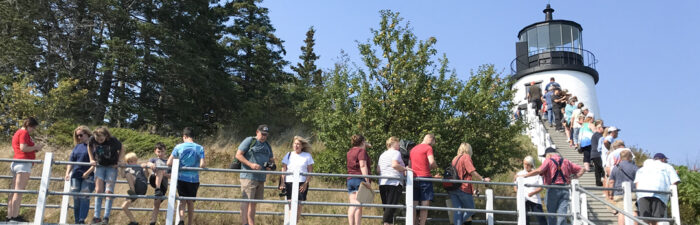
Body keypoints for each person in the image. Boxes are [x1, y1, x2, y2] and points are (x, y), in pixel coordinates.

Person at [520, 147, 584, 225]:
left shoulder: (549, 160)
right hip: (565, 189)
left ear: (549, 155)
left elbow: (539, 170)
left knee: (551, 214)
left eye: (545, 156)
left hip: (553, 189)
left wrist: (525, 176)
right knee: (562, 215)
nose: (544, 158)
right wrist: (574, 178)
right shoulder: (566, 161)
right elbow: (581, 169)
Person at [237, 125, 274, 225]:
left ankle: (251, 223)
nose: (264, 136)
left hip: (261, 178)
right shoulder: (249, 140)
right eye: (262, 134)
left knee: (253, 203)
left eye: (266, 135)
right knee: (246, 201)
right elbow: (238, 155)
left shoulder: (267, 145)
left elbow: (271, 161)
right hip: (248, 177)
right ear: (257, 132)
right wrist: (251, 164)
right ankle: (245, 223)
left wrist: (269, 166)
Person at [167, 127, 206, 225]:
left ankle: (181, 220)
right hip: (194, 179)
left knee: (182, 200)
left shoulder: (178, 147)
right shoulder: (200, 148)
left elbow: (169, 162)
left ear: (184, 136)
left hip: (181, 178)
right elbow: (202, 165)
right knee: (191, 202)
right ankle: (190, 223)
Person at [8, 117, 43, 222]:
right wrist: (37, 147)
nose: (33, 130)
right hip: (23, 163)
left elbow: (22, 148)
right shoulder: (24, 133)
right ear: (29, 125)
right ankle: (14, 217)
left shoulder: (18, 132)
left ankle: (10, 216)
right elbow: (23, 148)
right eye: (33, 127)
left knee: (13, 191)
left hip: (17, 162)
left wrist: (33, 149)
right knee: (18, 192)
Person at [87, 127, 125, 224]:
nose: (99, 141)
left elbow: (122, 148)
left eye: (101, 139)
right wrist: (91, 159)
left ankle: (106, 217)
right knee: (98, 190)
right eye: (97, 140)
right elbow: (89, 146)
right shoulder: (92, 139)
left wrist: (119, 160)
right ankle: (96, 216)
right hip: (99, 166)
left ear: (106, 136)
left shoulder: (113, 141)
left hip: (111, 167)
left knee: (109, 191)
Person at [449, 143, 490, 225]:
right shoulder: (466, 157)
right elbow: (471, 171)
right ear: (469, 149)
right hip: (463, 188)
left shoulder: (455, 158)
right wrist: (483, 179)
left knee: (458, 210)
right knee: (471, 210)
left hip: (452, 187)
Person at [634, 158, 680, 225]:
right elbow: (675, 181)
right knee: (658, 219)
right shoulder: (667, 166)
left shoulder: (641, 170)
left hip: (642, 193)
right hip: (659, 193)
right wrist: (671, 194)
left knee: (645, 219)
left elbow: (637, 184)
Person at [280, 136, 314, 224]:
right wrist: (282, 182)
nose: (296, 146)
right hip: (289, 182)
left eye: (298, 144)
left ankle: (295, 222)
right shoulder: (288, 155)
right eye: (295, 144)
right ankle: (292, 223)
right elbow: (283, 169)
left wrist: (306, 183)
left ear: (302, 146)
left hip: (301, 182)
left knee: (299, 205)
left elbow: (310, 170)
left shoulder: (307, 156)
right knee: (291, 204)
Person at [64, 126, 94, 224]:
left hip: (89, 175)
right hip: (76, 175)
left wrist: (87, 172)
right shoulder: (77, 147)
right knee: (76, 199)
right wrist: (67, 173)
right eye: (78, 136)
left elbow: (96, 162)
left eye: (81, 135)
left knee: (84, 196)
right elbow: (71, 161)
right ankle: (77, 220)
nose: (79, 137)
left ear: (87, 134)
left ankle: (81, 220)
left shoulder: (93, 146)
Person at [376, 137, 409, 225]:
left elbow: (378, 170)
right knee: (391, 207)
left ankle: (388, 223)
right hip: (394, 182)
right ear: (392, 144)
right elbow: (394, 165)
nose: (399, 145)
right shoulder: (396, 153)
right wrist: (404, 169)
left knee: (387, 207)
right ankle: (386, 223)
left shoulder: (382, 155)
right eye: (397, 143)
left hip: (383, 182)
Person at [409, 134, 438, 225]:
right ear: (431, 139)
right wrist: (435, 167)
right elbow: (432, 162)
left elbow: (410, 166)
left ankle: (412, 223)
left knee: (413, 205)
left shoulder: (413, 149)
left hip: (413, 178)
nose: (433, 145)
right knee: (425, 205)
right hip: (425, 178)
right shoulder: (428, 148)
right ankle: (422, 224)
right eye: (433, 142)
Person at [607, 150, 638, 225]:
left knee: (621, 212)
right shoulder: (634, 167)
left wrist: (610, 193)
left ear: (620, 157)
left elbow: (611, 181)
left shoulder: (616, 167)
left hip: (618, 192)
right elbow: (638, 181)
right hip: (632, 191)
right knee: (633, 211)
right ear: (630, 157)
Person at [513, 156, 547, 225]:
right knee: (524, 219)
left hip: (534, 199)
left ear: (531, 164)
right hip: (523, 199)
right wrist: (518, 193)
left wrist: (533, 193)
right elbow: (515, 185)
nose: (526, 166)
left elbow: (541, 187)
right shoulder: (519, 174)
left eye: (528, 164)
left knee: (541, 218)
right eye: (525, 164)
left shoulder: (537, 174)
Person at [346, 134, 372, 225]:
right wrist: (367, 180)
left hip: (350, 179)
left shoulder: (350, 151)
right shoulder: (361, 151)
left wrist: (365, 145)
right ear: (362, 142)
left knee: (352, 204)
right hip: (359, 179)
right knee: (358, 205)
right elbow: (363, 165)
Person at [121, 152, 150, 225]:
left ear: (136, 160)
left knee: (128, 174)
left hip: (141, 186)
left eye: (132, 161)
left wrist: (145, 168)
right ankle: (133, 221)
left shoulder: (139, 167)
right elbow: (122, 175)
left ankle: (132, 190)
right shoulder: (127, 169)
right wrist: (122, 167)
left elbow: (146, 175)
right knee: (124, 206)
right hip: (134, 189)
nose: (130, 163)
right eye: (128, 162)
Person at [146, 143, 170, 225]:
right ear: (155, 152)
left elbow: (171, 175)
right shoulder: (153, 160)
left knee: (157, 203)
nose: (160, 153)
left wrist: (164, 174)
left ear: (165, 151)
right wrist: (151, 164)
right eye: (158, 151)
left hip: (163, 183)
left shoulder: (168, 162)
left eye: (162, 151)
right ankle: (157, 189)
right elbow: (147, 163)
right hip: (154, 179)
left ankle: (152, 222)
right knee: (159, 170)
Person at [589, 121, 606, 186]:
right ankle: (602, 181)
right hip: (598, 154)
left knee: (597, 169)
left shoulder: (594, 135)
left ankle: (598, 182)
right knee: (602, 168)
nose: (604, 129)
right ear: (599, 128)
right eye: (603, 128)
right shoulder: (598, 135)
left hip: (594, 154)